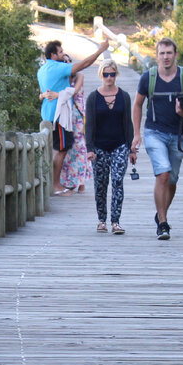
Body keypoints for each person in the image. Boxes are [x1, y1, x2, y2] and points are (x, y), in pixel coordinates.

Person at [131, 37, 183, 240]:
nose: (166, 57)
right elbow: (137, 105)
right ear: (157, 55)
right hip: (154, 132)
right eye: (162, 53)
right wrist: (136, 133)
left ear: (175, 55)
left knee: (172, 179)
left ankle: (162, 214)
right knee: (163, 174)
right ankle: (162, 223)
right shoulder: (148, 78)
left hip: (177, 133)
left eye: (169, 53)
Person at [38, 38, 109, 194]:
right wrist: (100, 50)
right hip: (59, 115)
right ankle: (55, 185)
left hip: (46, 114)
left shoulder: (42, 70)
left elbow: (44, 92)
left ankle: (51, 183)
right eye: (61, 52)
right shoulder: (57, 67)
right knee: (61, 149)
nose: (63, 55)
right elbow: (84, 64)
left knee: (54, 148)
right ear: (53, 54)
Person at [84, 60, 136, 234]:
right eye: (106, 74)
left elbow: (127, 123)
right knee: (101, 184)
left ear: (116, 75)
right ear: (101, 75)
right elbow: (89, 124)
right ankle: (101, 220)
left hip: (119, 145)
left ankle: (115, 221)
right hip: (99, 147)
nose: (109, 77)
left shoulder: (124, 96)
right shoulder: (93, 97)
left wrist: (131, 148)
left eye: (112, 74)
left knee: (117, 181)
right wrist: (89, 148)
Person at [57, 55, 92, 195]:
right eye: (63, 62)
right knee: (67, 149)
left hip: (77, 116)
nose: (66, 63)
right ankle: (69, 182)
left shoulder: (79, 76)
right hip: (65, 116)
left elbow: (74, 91)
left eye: (68, 61)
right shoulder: (61, 79)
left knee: (80, 147)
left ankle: (82, 181)